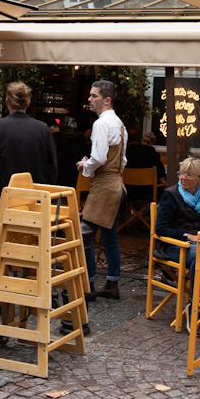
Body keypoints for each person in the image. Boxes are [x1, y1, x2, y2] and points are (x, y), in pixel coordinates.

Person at [77, 80, 127, 299]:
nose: (89, 99)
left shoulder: (101, 124)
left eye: (94, 96)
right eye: (90, 95)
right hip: (118, 185)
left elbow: (98, 158)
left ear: (107, 100)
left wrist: (84, 165)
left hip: (104, 188)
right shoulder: (120, 124)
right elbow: (122, 161)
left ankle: (87, 286)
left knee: (85, 235)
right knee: (109, 236)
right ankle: (112, 284)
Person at [0, 82, 56, 195]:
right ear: (28, 103)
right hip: (37, 192)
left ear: (7, 102)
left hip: (8, 191)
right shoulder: (43, 129)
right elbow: (52, 164)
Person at [155, 157, 200, 288]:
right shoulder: (170, 195)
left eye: (189, 174)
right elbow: (160, 229)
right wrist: (187, 236)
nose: (183, 177)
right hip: (174, 245)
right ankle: (197, 299)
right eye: (182, 173)